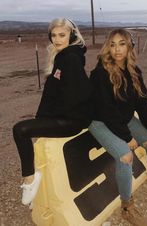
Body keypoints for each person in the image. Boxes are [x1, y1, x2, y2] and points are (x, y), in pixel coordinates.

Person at [89, 29, 147, 226]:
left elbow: (143, 103)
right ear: (107, 47)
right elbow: (106, 111)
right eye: (112, 44)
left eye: (121, 43)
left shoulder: (134, 72)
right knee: (125, 156)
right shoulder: (99, 74)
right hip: (100, 121)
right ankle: (127, 208)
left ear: (130, 46)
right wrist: (127, 138)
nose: (117, 49)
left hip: (123, 119)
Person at [13, 18, 92, 206]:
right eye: (54, 35)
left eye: (62, 35)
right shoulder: (63, 56)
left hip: (71, 121)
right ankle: (40, 193)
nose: (57, 40)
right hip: (65, 117)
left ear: (72, 35)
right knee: (35, 137)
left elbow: (78, 95)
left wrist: (48, 118)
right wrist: (41, 119)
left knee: (20, 130)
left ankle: (29, 181)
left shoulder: (70, 59)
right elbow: (52, 95)